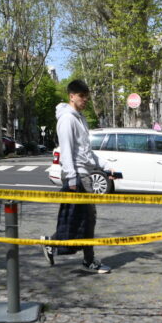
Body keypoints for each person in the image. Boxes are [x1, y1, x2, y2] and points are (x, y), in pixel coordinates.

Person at [39, 79, 116, 274]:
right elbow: (66, 151)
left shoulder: (80, 118)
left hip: (85, 175)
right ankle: (88, 260)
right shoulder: (67, 119)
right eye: (81, 96)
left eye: (86, 97)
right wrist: (72, 179)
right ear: (71, 96)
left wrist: (106, 167)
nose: (84, 100)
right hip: (78, 177)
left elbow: (86, 151)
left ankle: (52, 244)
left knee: (78, 219)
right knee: (87, 219)